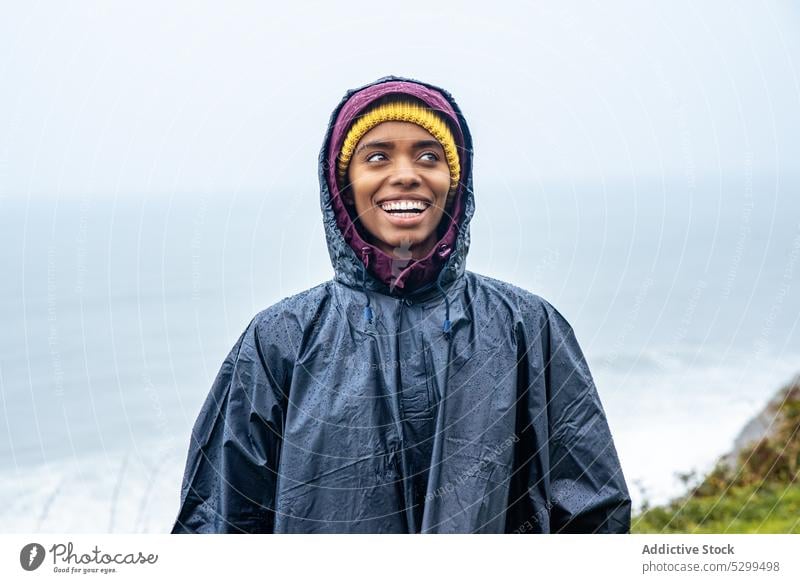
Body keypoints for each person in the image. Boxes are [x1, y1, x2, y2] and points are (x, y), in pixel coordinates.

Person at [170, 75, 632, 534]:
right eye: (377, 157)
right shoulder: (281, 339)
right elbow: (220, 521)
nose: (406, 173)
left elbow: (592, 514)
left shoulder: (527, 327)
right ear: (343, 183)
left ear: (455, 181)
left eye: (429, 155)